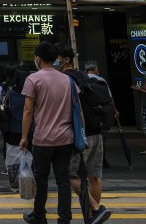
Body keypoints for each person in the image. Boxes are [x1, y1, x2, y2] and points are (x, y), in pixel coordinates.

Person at [21, 41, 76, 224]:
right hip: (65, 137)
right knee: (63, 180)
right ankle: (64, 218)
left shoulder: (33, 79)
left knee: (41, 179)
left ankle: (39, 216)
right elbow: (78, 109)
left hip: (43, 139)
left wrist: (23, 137)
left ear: (38, 58)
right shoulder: (68, 80)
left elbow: (28, 111)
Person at [57, 49, 113, 224]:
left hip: (81, 133)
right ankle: (92, 217)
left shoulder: (66, 79)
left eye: (56, 59)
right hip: (97, 131)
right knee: (94, 176)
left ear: (65, 60)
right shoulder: (85, 76)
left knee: (72, 175)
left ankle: (95, 209)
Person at [0, 65, 35, 192]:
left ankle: (17, 183)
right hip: (31, 128)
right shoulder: (32, 92)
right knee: (30, 155)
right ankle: (30, 181)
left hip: (13, 129)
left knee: (14, 156)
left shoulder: (10, 91)